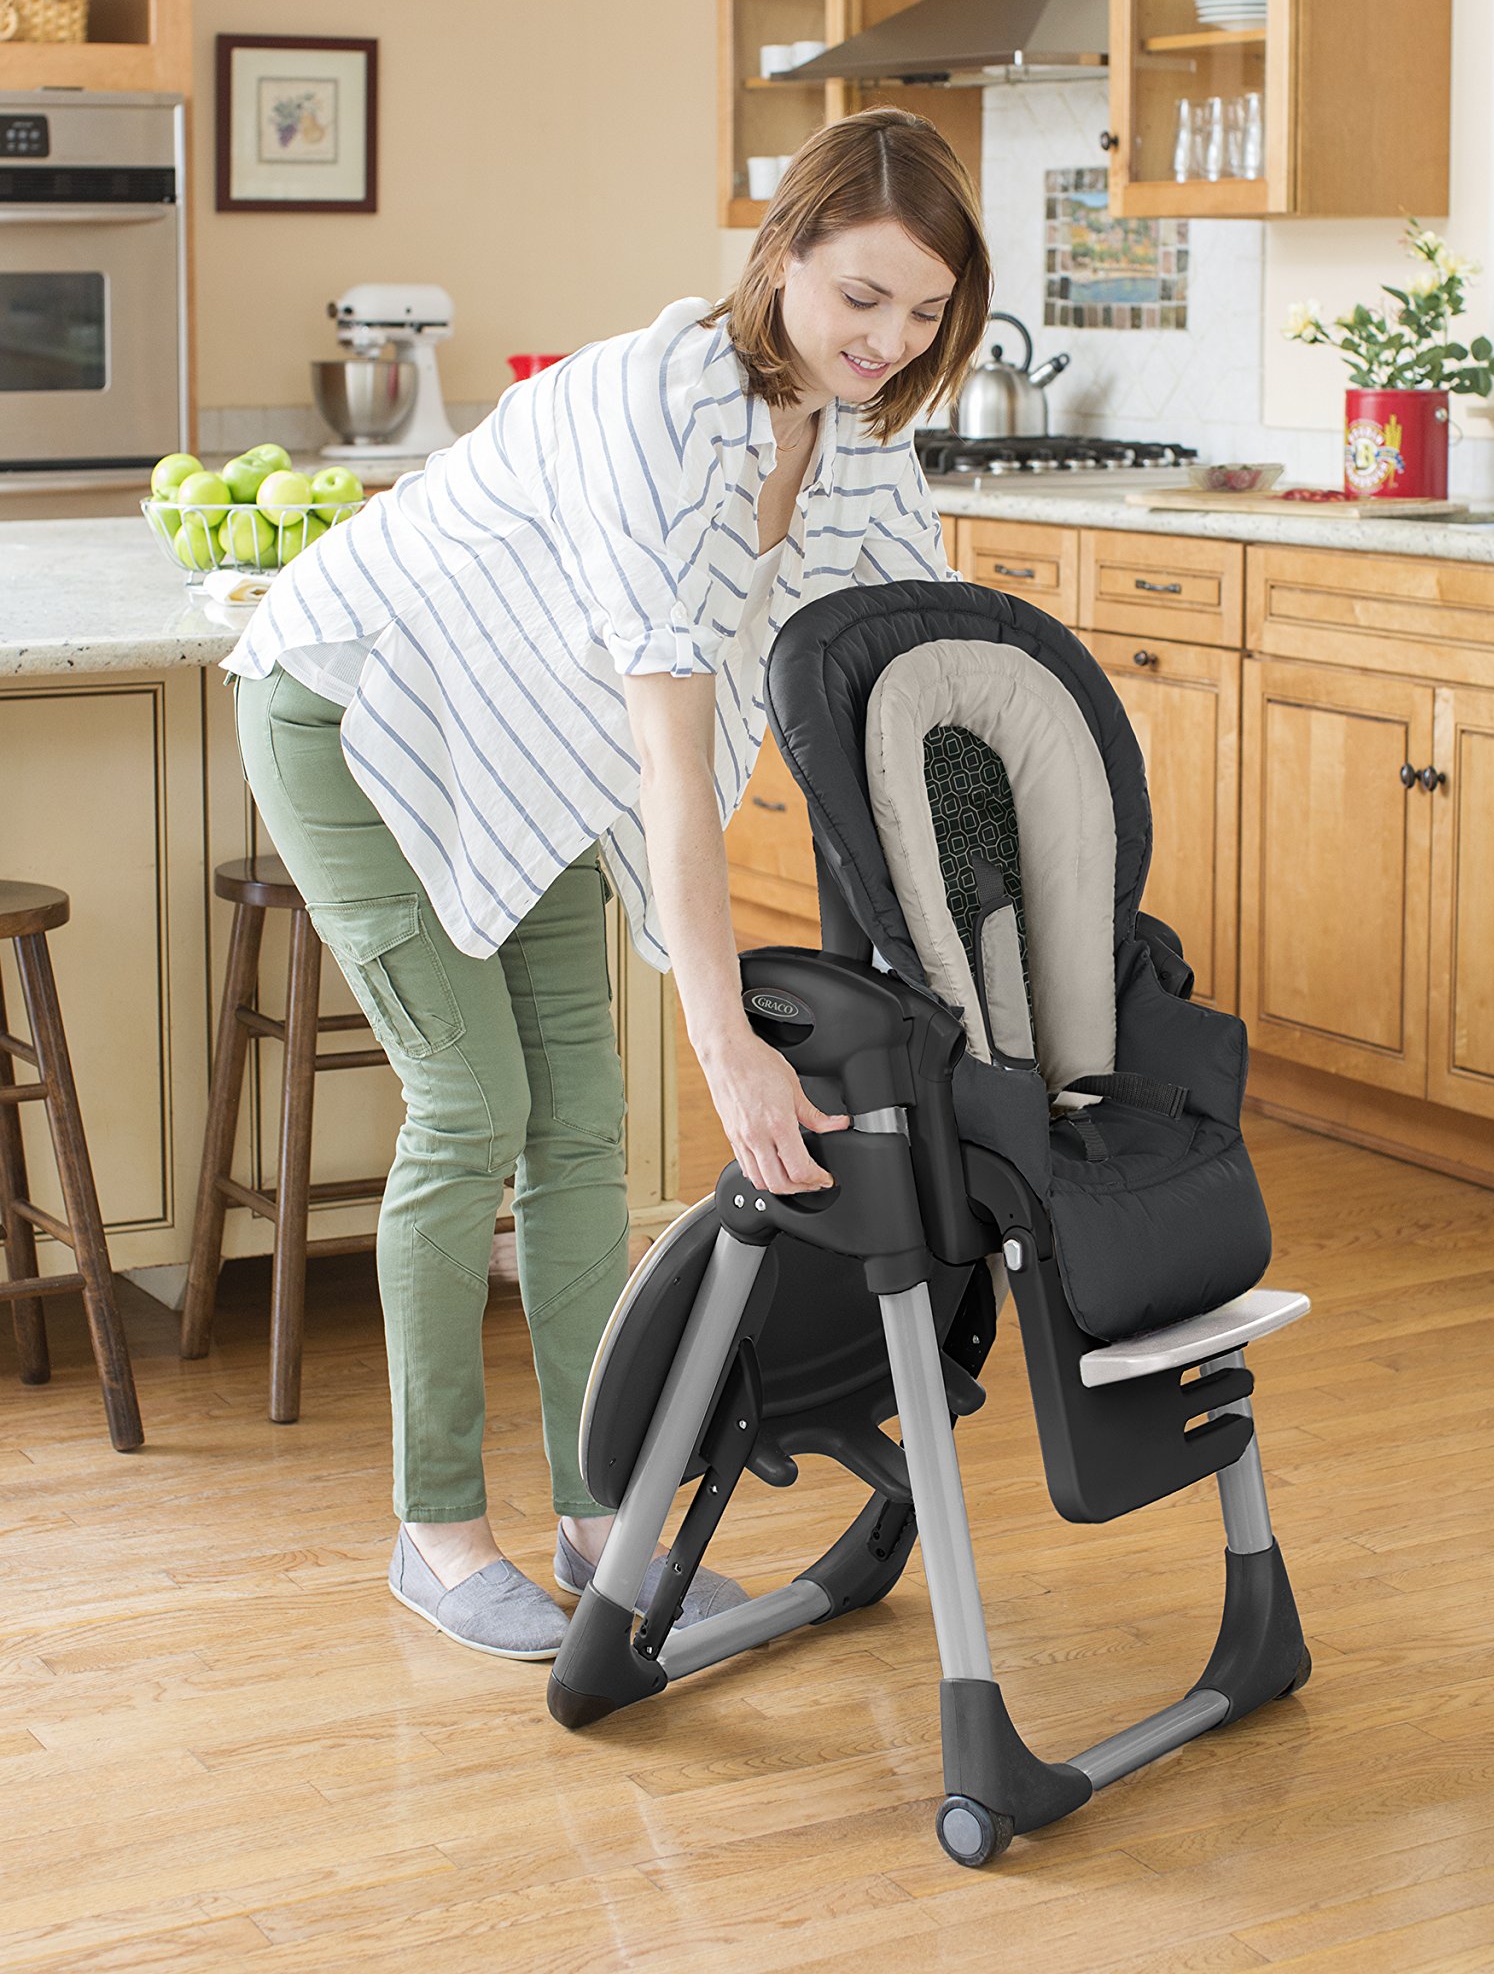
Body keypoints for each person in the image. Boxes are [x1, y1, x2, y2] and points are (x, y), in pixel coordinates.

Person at [224, 106, 992, 1659]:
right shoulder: (658, 403)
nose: (888, 342)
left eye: (925, 314)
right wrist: (728, 1043)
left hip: (528, 755)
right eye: (862, 299)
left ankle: (596, 1516)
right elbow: (671, 739)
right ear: (782, 258)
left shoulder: (858, 443)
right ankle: (436, 1534)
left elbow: (896, 674)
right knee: (474, 1110)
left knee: (578, 1121)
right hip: (357, 715)